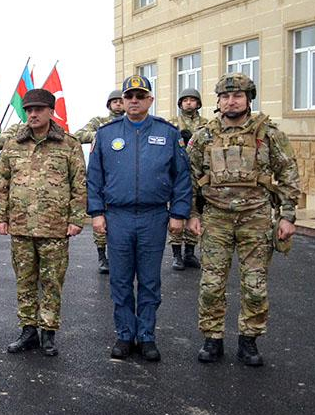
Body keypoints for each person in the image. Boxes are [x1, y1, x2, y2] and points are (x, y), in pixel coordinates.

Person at [187, 73, 301, 367]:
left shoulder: (269, 133)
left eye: (237, 96)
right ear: (218, 101)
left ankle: (249, 340)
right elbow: (187, 177)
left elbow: (288, 173)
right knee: (211, 284)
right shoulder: (204, 135)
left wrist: (287, 216)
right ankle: (212, 338)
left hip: (256, 218)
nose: (230, 101)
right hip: (216, 218)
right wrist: (192, 213)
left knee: (254, 285)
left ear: (249, 99)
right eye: (225, 97)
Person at [87, 75, 192, 362]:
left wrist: (179, 213)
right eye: (129, 96)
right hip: (117, 216)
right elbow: (94, 177)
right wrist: (96, 212)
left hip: (153, 216)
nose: (134, 100)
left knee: (149, 281)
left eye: (140, 95)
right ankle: (124, 334)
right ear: (121, 101)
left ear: (150, 100)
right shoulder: (107, 134)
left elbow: (182, 177)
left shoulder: (168, 133)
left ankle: (146, 336)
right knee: (120, 280)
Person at [0, 89, 86, 357]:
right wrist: (0, 216)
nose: (33, 114)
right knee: (25, 280)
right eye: (29, 110)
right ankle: (28, 330)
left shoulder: (69, 144)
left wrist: (76, 218)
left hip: (54, 227)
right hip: (20, 226)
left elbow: (79, 185)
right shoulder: (13, 144)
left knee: (52, 281)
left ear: (50, 112)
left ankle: (48, 333)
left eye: (39, 109)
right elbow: (1, 183)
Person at [73, 89, 125, 274]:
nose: (118, 104)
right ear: (109, 104)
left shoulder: (132, 123)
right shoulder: (100, 123)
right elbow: (80, 134)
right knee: (100, 215)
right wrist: (101, 136)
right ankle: (102, 256)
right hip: (103, 174)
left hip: (122, 176)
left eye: (121, 101)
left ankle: (118, 257)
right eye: (115, 101)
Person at [168, 87, 208, 271]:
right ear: (180, 103)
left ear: (198, 103)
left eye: (193, 100)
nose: (189, 103)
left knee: (196, 212)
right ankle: (176, 254)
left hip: (199, 175)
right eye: (185, 100)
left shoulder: (206, 125)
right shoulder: (173, 123)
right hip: (177, 174)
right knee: (177, 212)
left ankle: (190, 253)